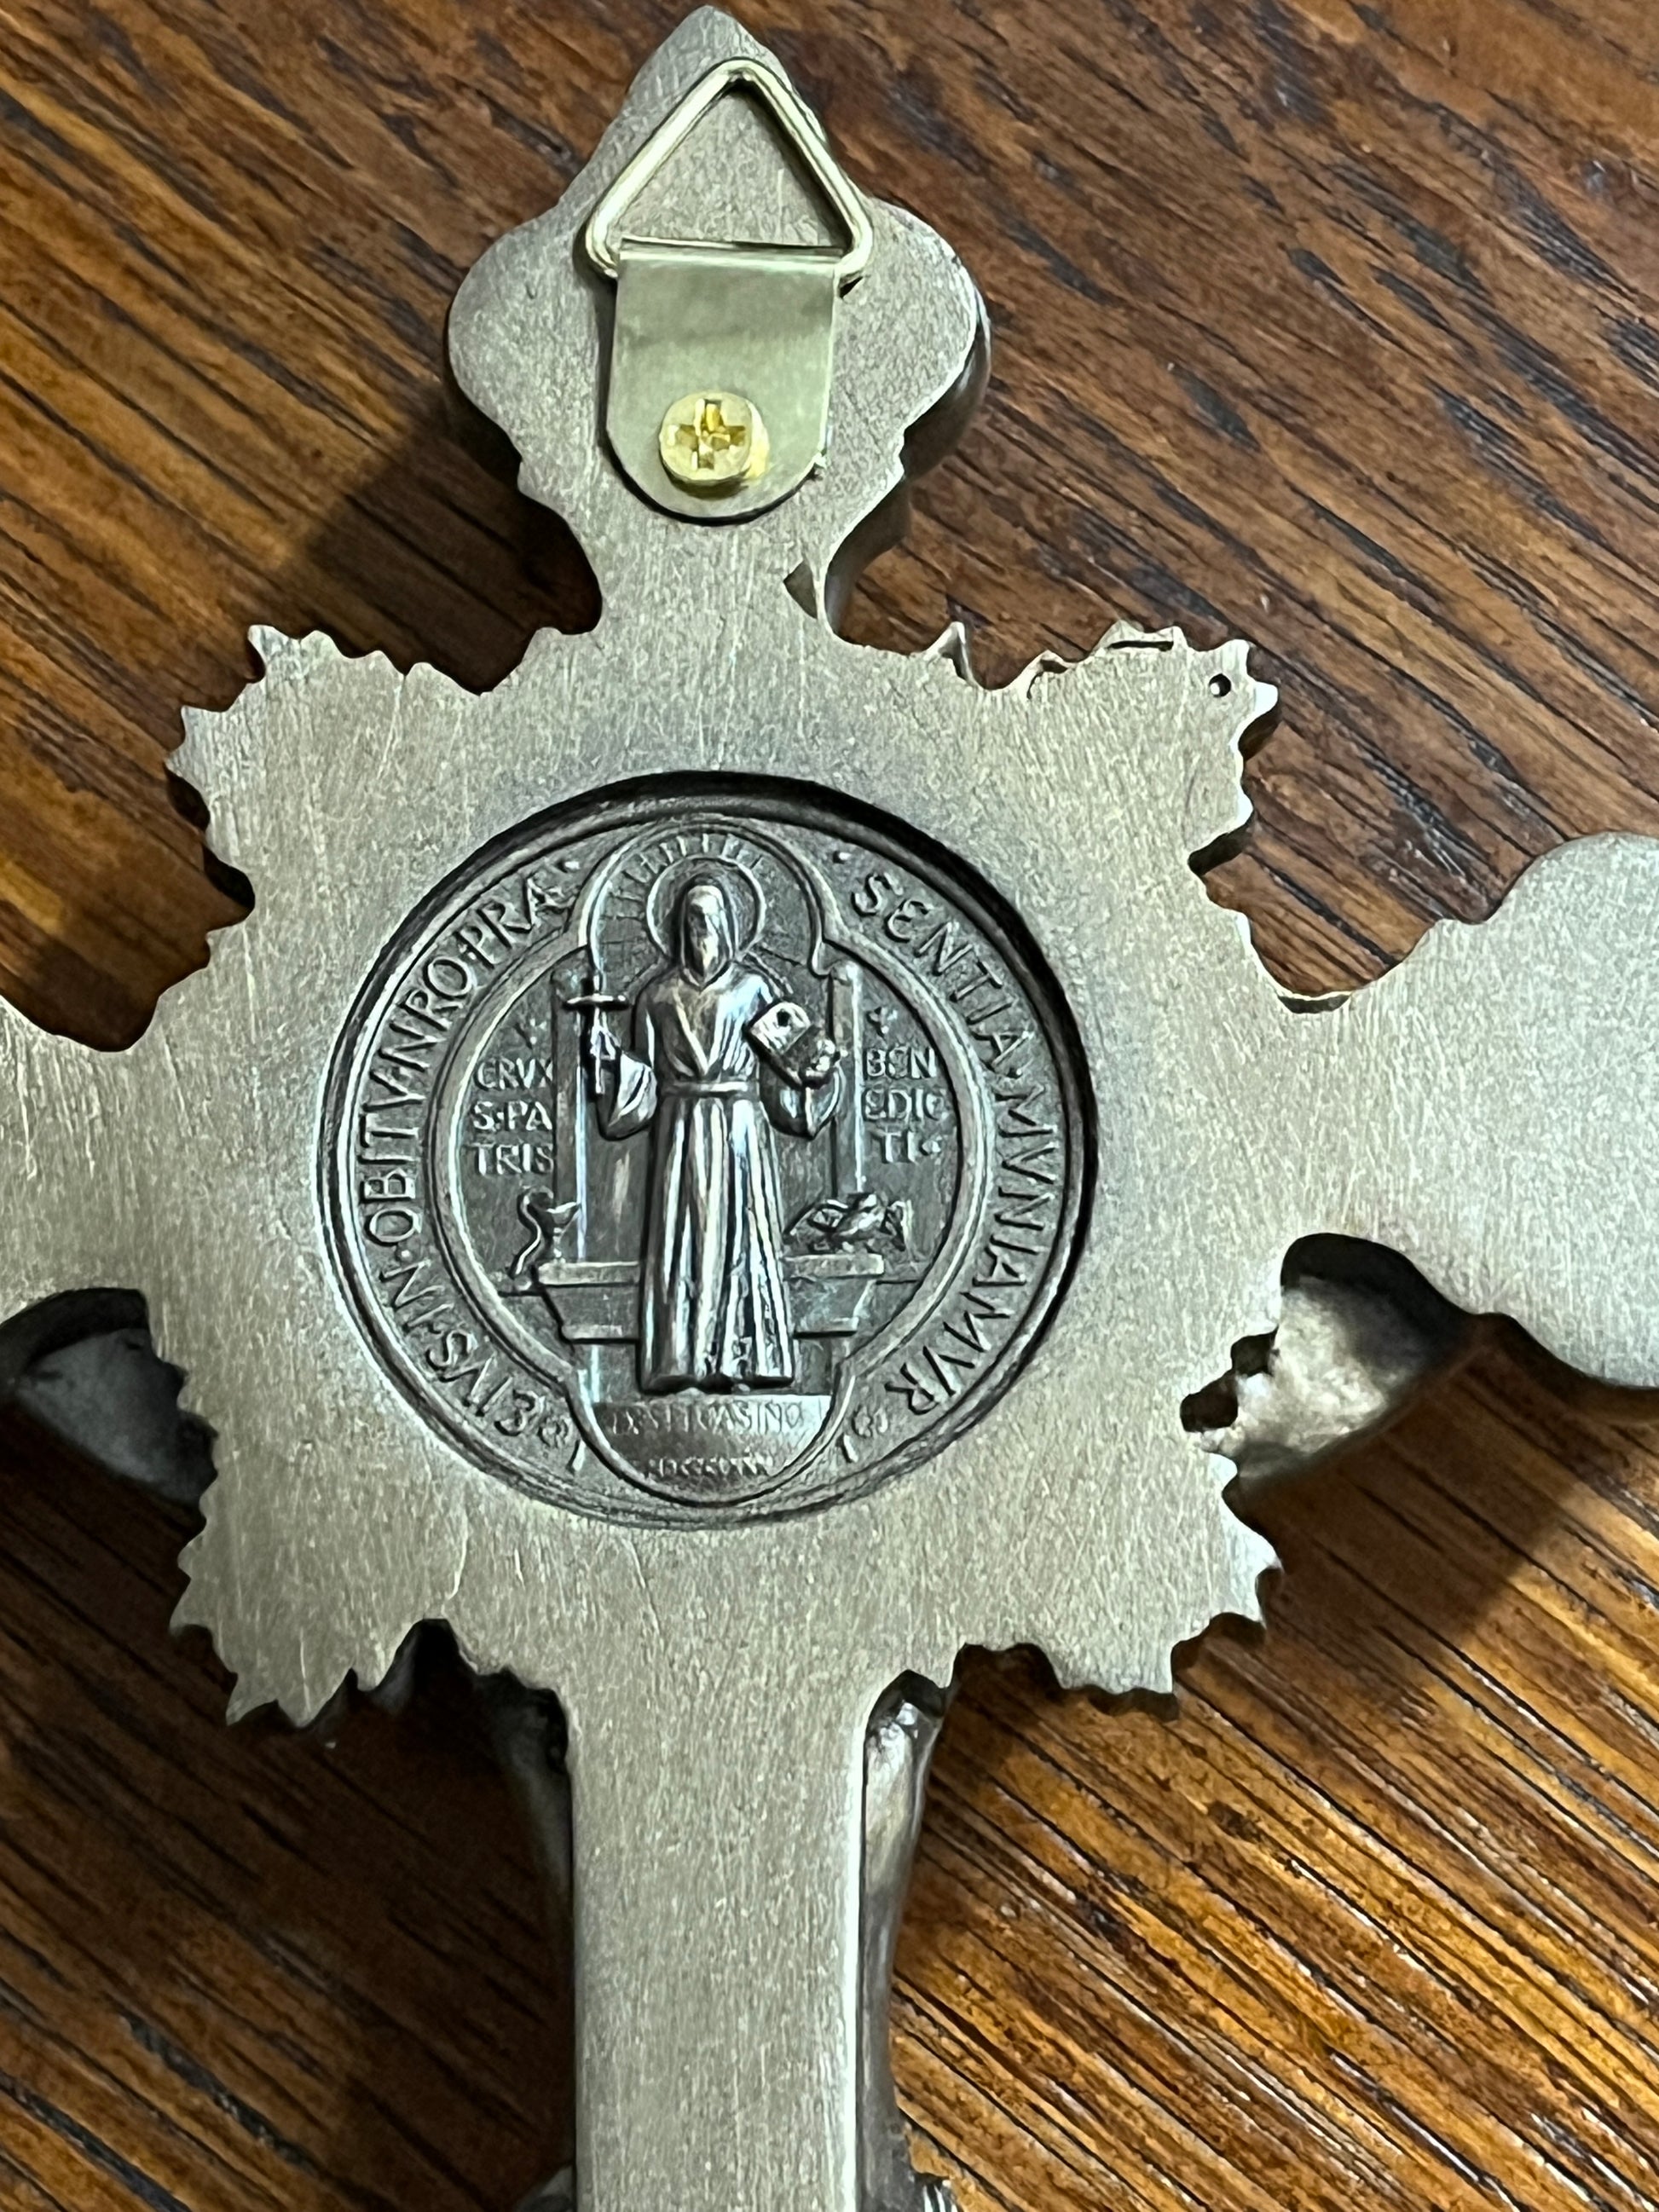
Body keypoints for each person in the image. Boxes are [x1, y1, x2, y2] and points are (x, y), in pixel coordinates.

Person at [591, 875, 840, 1392]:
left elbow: (786, 1063)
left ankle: (744, 1359)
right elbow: (645, 1078)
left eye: (710, 918)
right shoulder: (657, 996)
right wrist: (609, 1060)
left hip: (739, 1127)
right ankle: (682, 1361)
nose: (701, 928)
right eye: (692, 919)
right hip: (681, 1127)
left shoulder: (753, 990)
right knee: (684, 1240)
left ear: (728, 926)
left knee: (740, 1237)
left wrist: (815, 1071)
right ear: (680, 929)